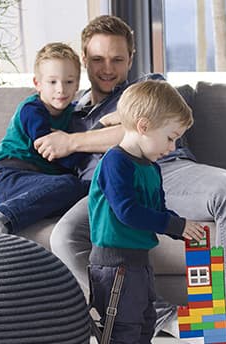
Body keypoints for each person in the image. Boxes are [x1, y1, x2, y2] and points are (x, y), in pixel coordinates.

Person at [0, 15, 226, 330]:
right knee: (64, 236)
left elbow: (138, 129)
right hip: (105, 188)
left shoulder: (147, 87)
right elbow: (29, 164)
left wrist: (72, 142)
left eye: (117, 59)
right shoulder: (68, 111)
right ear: (84, 60)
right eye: (98, 59)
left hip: (164, 171)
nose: (107, 68)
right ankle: (160, 315)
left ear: (131, 59)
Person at [88, 80, 207, 343]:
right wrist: (175, 226)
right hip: (114, 265)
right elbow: (128, 212)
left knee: (145, 324)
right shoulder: (115, 162)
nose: (173, 147)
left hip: (140, 262)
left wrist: (185, 230)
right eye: (170, 137)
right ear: (143, 126)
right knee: (122, 329)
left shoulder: (151, 168)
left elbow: (158, 211)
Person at [0, 42, 88, 234]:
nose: (61, 89)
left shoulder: (72, 112)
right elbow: (50, 150)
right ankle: (3, 217)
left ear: (77, 84)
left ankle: (15, 209)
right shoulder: (32, 110)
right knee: (70, 184)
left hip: (38, 181)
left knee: (79, 192)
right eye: (52, 82)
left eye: (69, 82)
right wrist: (83, 151)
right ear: (37, 84)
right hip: (9, 176)